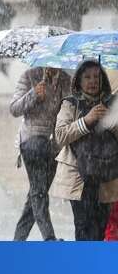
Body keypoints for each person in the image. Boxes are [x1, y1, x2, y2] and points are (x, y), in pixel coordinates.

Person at [51, 60, 118, 241]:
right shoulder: (70, 104)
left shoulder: (112, 103)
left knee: (101, 227)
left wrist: (110, 122)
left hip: (106, 175)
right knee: (82, 227)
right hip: (78, 176)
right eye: (87, 77)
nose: (92, 81)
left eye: (96, 76)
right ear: (78, 80)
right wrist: (86, 120)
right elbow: (60, 136)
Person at [9, 66, 71, 241]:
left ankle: (18, 240)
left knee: (37, 193)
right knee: (39, 191)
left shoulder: (65, 79)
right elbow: (14, 109)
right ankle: (49, 239)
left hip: (53, 144)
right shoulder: (30, 75)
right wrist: (33, 94)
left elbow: (71, 108)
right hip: (32, 141)